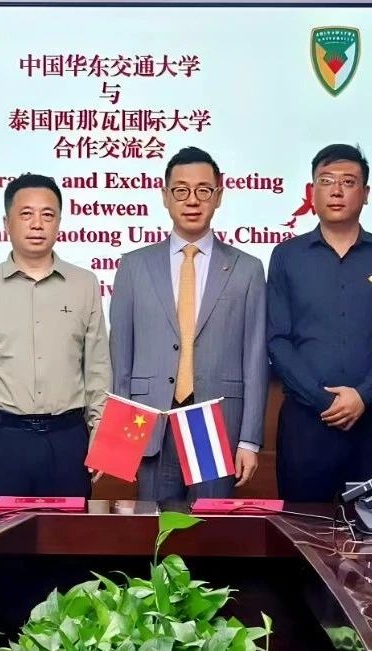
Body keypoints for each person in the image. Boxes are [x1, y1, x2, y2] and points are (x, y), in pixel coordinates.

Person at [109, 146, 266, 500]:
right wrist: (121, 443)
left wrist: (249, 440)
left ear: (219, 195)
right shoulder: (134, 266)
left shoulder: (247, 269)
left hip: (213, 421)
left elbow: (255, 360)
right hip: (151, 422)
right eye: (181, 190)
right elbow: (121, 359)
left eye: (203, 190)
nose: (192, 200)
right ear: (165, 196)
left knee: (210, 529)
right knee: (156, 528)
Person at [267, 144, 372, 501]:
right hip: (306, 424)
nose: (336, 191)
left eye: (348, 182)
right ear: (312, 192)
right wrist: (322, 400)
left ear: (365, 193)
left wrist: (363, 396)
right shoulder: (287, 256)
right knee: (304, 527)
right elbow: (277, 339)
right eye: (326, 181)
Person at [0, 173, 110, 500]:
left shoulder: (84, 284)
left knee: (67, 532)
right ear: (6, 223)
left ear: (59, 223)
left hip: (67, 439)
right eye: (26, 214)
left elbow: (97, 369)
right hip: (0, 438)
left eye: (47, 215)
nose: (37, 224)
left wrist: (101, 433)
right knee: (0, 534)